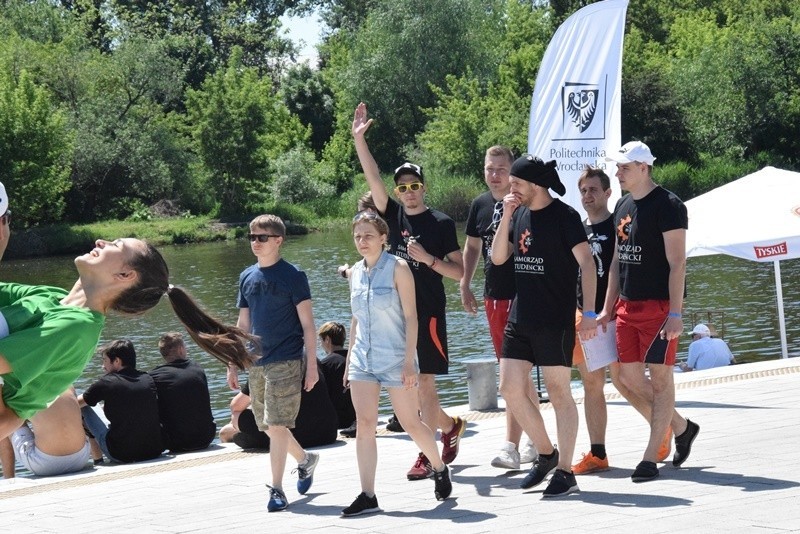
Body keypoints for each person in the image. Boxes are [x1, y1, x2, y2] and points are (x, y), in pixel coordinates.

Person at [0, 237, 255, 443]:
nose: (101, 241)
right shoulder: (52, 297)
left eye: (115, 245)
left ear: (125, 275)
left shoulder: (76, 327)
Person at [352, 103, 466, 480]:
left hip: (429, 313)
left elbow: (459, 271)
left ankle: (430, 448)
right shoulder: (393, 215)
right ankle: (447, 430)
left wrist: (427, 258)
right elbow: (372, 178)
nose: (409, 192)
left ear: (424, 188)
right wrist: (359, 141)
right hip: (396, 319)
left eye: (415, 186)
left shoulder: (441, 223)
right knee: (415, 393)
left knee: (424, 388)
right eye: (403, 187)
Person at [490, 155, 597, 498]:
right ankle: (546, 453)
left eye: (517, 184)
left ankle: (565, 471)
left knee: (559, 393)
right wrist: (506, 216)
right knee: (509, 388)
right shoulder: (517, 212)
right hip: (521, 317)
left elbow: (588, 264)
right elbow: (498, 258)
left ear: (535, 184)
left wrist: (591, 314)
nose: (511, 189)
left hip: (555, 319)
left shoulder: (565, 216)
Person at [600, 141, 700, 483]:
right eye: (618, 167)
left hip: (659, 307)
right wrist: (607, 307)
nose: (618, 172)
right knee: (625, 378)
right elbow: (615, 260)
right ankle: (682, 427)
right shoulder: (623, 204)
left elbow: (678, 262)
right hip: (627, 305)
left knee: (660, 381)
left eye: (624, 167)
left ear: (644, 168)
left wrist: (676, 312)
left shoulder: (669, 205)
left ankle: (649, 456)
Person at [341, 210, 451, 516]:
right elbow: (356, 318)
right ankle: (368, 494)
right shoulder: (356, 273)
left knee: (410, 423)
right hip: (363, 358)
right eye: (358, 236)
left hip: (396, 358)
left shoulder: (398, 268)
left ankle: (439, 466)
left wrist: (408, 362)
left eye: (368, 235)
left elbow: (411, 317)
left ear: (383, 238)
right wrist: (350, 356)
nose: (362, 241)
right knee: (364, 425)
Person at [229, 214, 320, 512]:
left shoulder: (293, 276)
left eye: (262, 237)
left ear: (278, 240)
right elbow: (243, 324)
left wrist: (313, 366)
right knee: (268, 426)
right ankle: (305, 460)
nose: (255, 242)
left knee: (278, 424)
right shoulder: (246, 276)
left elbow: (308, 325)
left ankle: (277, 489)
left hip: (287, 359)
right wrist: (234, 360)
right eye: (252, 237)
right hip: (256, 362)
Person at [460, 145, 537, 470]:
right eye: (489, 168)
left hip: (525, 296)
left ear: (513, 171)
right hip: (495, 296)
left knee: (515, 374)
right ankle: (533, 438)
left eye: (501, 169)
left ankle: (514, 445)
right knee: (515, 374)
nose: (494, 175)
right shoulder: (479, 204)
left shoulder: (527, 203)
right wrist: (465, 283)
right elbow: (474, 245)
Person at [78, 339, 164, 463]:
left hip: (121, 454)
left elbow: (76, 403)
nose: (103, 366)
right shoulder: (147, 379)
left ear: (117, 361)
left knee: (84, 406)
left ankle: (97, 460)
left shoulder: (107, 382)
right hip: (154, 450)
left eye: (105, 360)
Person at [219, 376, 337, 451]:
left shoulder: (269, 362)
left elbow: (235, 406)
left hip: (300, 437)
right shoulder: (312, 359)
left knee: (236, 418)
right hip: (328, 433)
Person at [1, 388, 90, 478]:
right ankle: (98, 459)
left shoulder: (19, 387)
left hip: (44, 465)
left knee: (5, 417)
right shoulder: (67, 380)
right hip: (81, 458)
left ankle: (9, 479)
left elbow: (6, 426)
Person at [150, 332, 216, 452]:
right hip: (207, 437)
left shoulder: (155, 376)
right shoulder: (198, 369)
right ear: (181, 350)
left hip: (175, 442)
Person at [317, 322, 357, 435]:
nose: (321, 345)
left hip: (337, 420)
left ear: (327, 339)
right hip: (356, 417)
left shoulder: (324, 364)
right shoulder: (355, 360)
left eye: (321, 340)